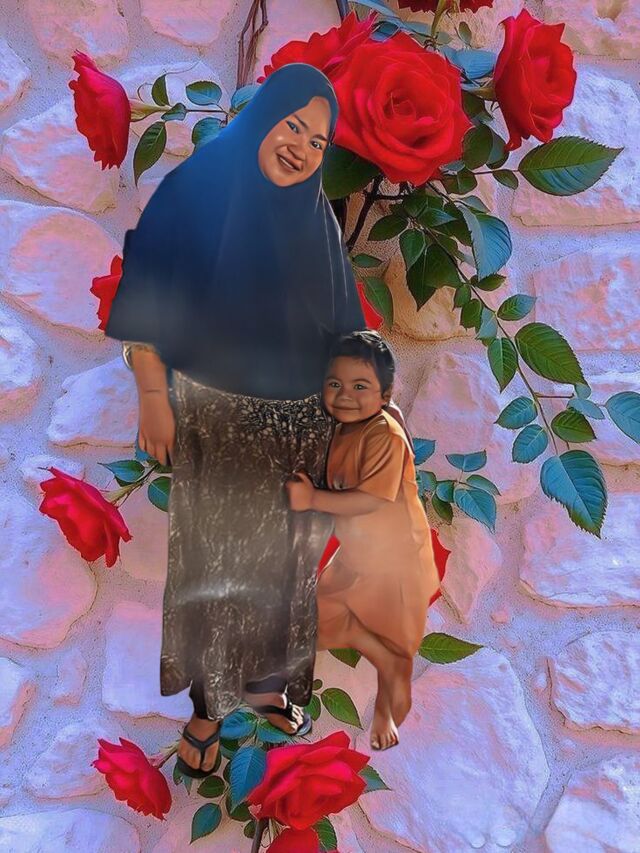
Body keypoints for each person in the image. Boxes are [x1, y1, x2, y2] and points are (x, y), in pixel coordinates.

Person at [105, 63, 368, 778]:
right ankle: (206, 710)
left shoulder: (314, 216)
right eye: (292, 126)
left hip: (302, 421)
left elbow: (344, 320)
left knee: (285, 566)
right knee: (215, 565)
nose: (301, 148)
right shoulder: (199, 187)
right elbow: (148, 290)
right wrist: (153, 394)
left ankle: (266, 686)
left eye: (317, 142)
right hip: (218, 413)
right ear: (262, 119)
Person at [286, 331, 441, 751]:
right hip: (356, 555)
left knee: (397, 636)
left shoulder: (384, 434)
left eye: (360, 386)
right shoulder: (343, 428)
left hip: (395, 560)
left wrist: (313, 499)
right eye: (334, 384)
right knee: (316, 623)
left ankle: (386, 709)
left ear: (385, 394)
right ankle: (379, 659)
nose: (345, 396)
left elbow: (371, 499)